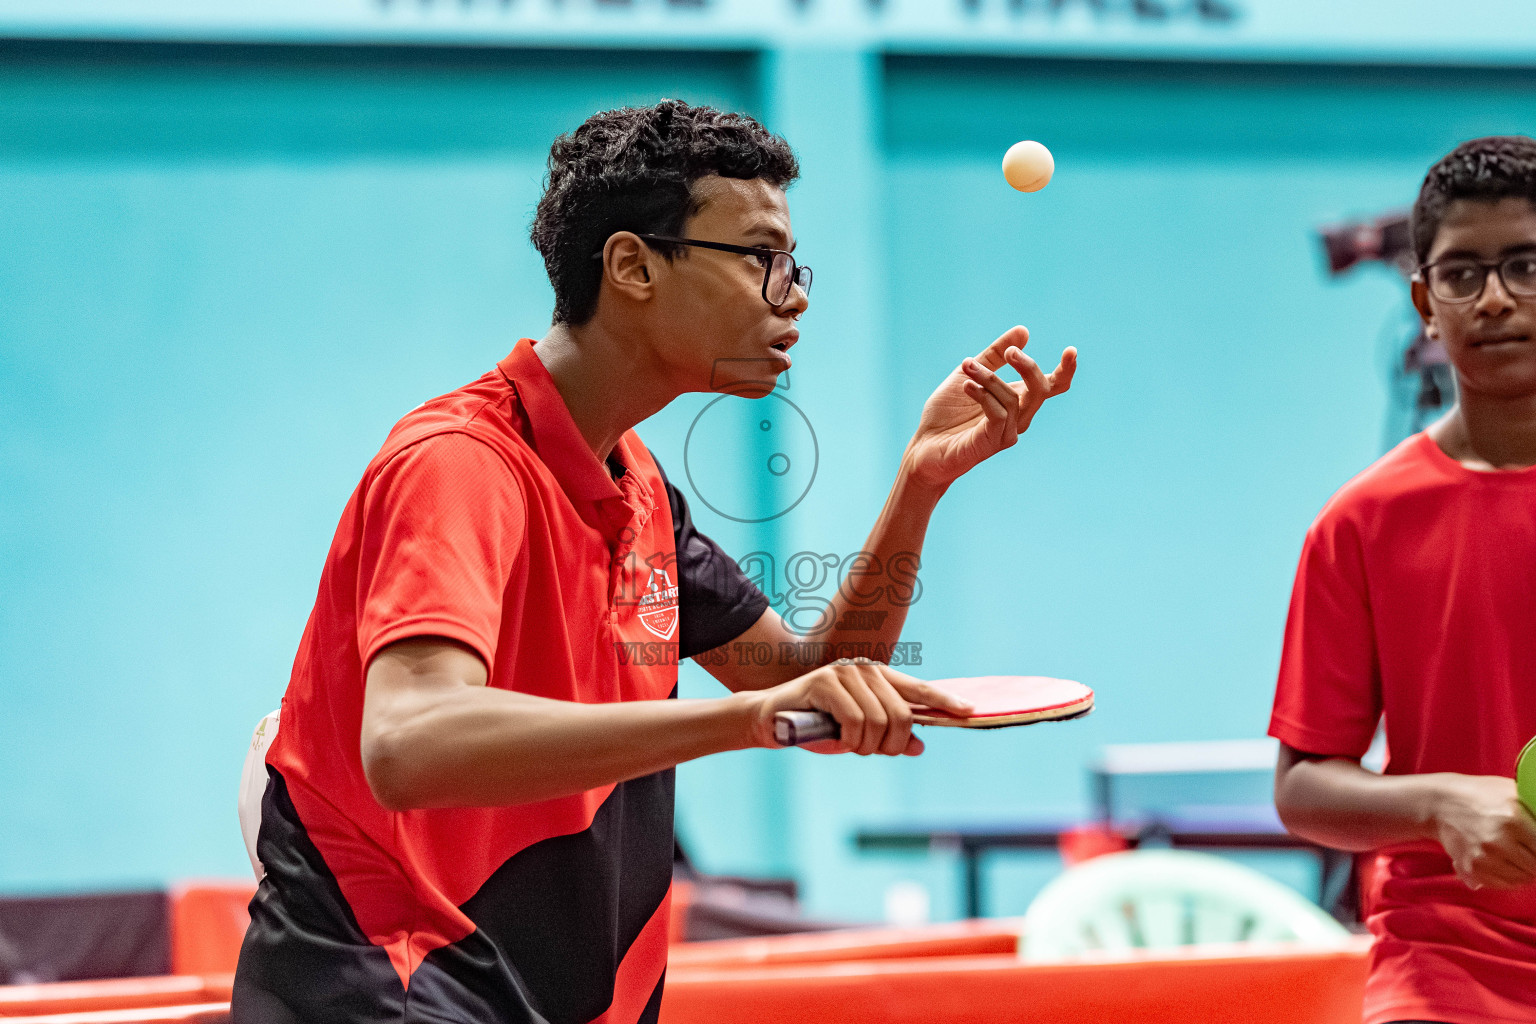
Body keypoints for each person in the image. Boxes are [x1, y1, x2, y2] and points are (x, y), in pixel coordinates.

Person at [230, 100, 1076, 1023]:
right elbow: (410, 743)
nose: (791, 294)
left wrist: (918, 484)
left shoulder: (638, 490)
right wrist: (749, 720)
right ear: (633, 265)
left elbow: (811, 680)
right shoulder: (459, 464)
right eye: (759, 258)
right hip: (392, 992)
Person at [1271, 135, 1536, 1024]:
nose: (1496, 298)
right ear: (1425, 302)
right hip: (1445, 973)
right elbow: (1304, 785)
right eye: (1463, 274)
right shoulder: (1360, 523)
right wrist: (1439, 803)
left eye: (1526, 266)